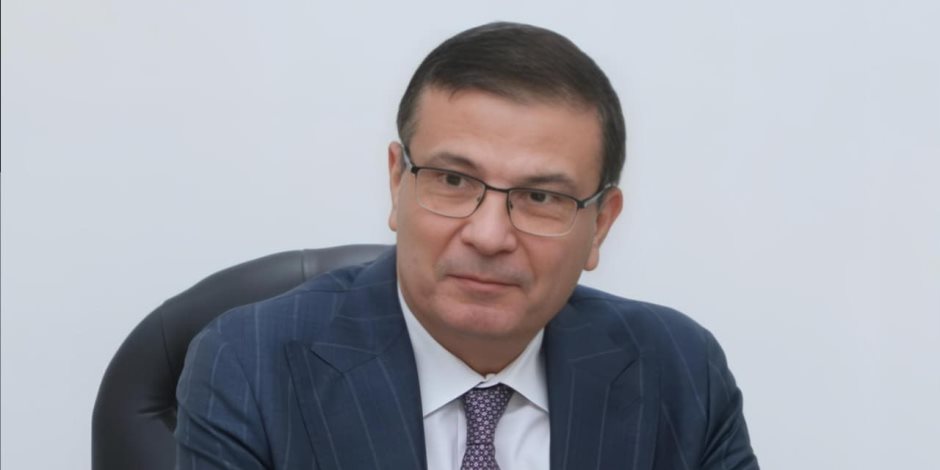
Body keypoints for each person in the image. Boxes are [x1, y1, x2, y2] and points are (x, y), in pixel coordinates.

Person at [175, 22, 759, 470]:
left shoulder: (680, 370)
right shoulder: (250, 366)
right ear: (397, 183)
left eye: (540, 197)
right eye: (453, 181)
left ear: (601, 225)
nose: (489, 235)